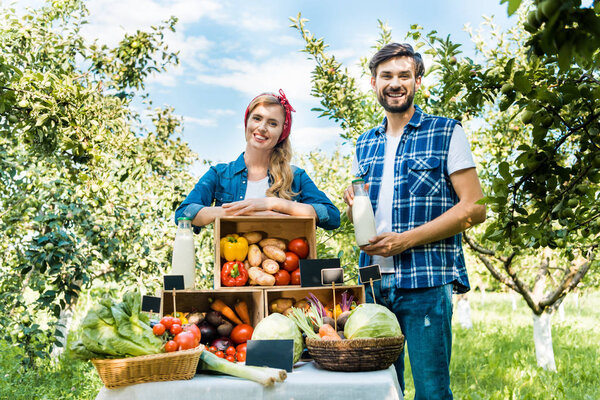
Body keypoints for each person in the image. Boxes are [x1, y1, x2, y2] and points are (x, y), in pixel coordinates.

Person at [343, 43, 486, 399]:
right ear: (373, 83)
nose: (395, 83)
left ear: (417, 81)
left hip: (425, 281)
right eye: (386, 76)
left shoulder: (446, 132)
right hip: (372, 283)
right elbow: (364, 217)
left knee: (432, 392)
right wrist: (353, 206)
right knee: (379, 390)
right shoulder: (363, 144)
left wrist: (405, 240)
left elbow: (474, 208)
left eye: (404, 75)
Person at [176, 89, 340, 232]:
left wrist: (274, 204)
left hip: (286, 267)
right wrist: (237, 212)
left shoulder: (296, 177)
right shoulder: (220, 174)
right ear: (246, 122)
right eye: (257, 118)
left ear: (282, 133)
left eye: (272, 123)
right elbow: (184, 214)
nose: (262, 127)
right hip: (232, 267)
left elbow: (331, 216)